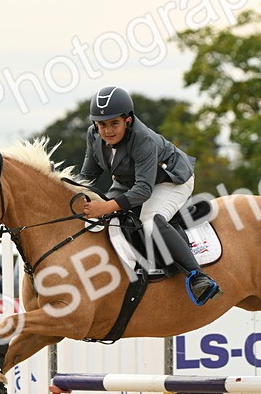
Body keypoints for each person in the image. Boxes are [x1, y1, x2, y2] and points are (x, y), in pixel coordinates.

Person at [77, 85, 221, 305]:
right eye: (102, 124)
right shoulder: (93, 135)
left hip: (170, 181)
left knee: (150, 221)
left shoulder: (142, 138)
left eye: (114, 123)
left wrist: (105, 207)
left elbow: (144, 190)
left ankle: (198, 276)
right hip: (130, 182)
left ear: (128, 120)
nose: (107, 131)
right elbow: (88, 175)